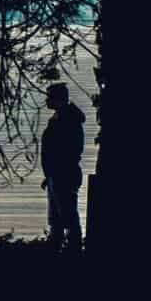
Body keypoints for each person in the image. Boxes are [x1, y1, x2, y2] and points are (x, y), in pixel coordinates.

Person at [41, 82, 86, 255]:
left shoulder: (67, 120)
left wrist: (57, 170)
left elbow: (70, 150)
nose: (46, 100)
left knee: (67, 214)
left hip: (64, 174)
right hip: (56, 174)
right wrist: (49, 175)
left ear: (58, 98)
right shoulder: (60, 118)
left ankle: (73, 249)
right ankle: (57, 247)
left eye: (49, 97)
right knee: (56, 217)